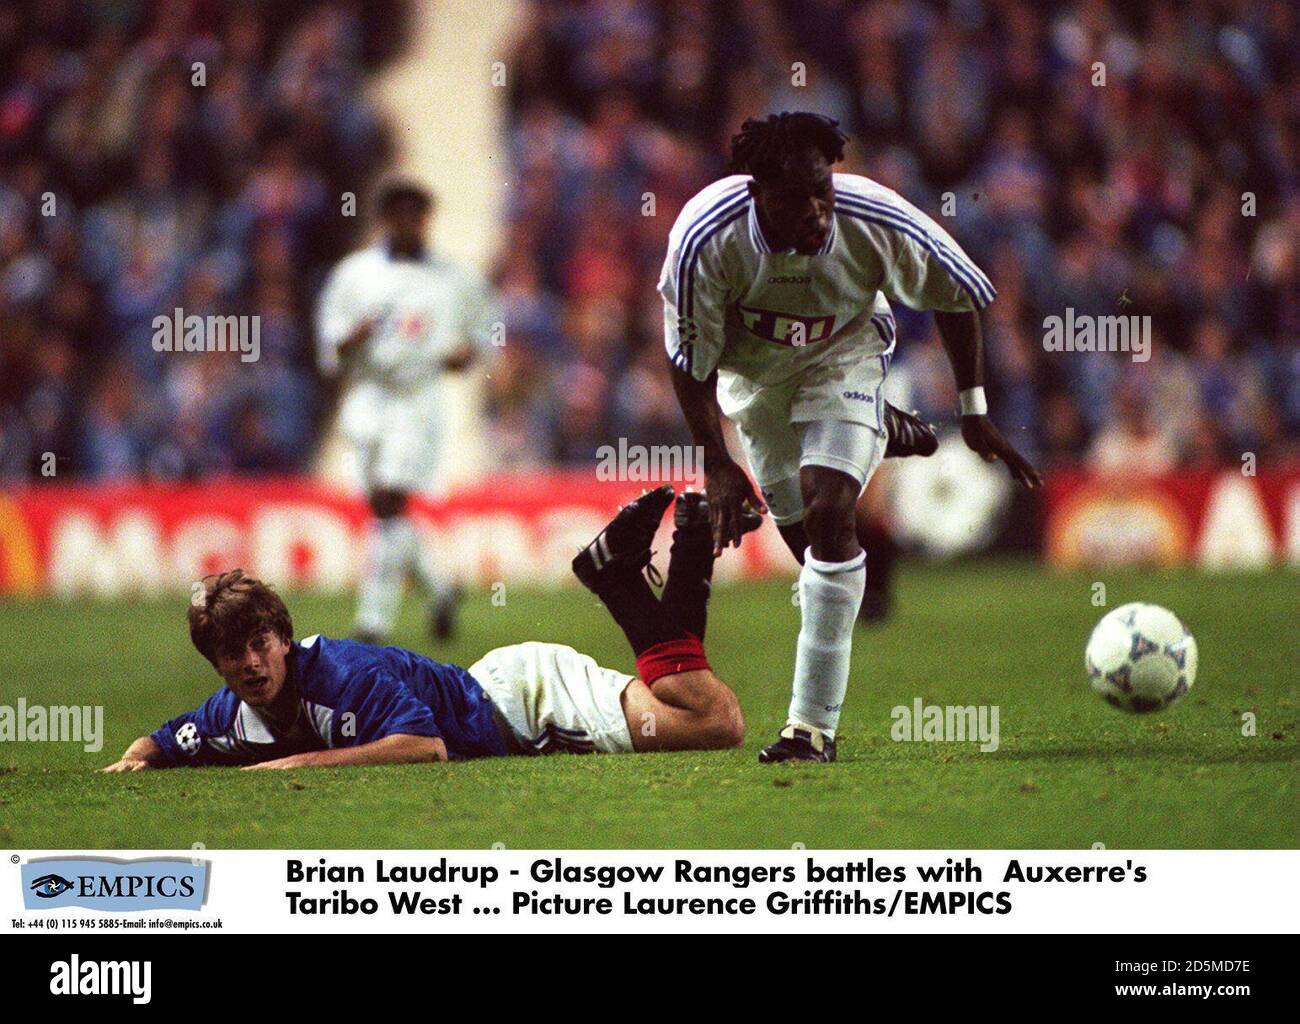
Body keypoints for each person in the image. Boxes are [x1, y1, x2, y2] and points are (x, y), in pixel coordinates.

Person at [660, 112, 1041, 763]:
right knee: (808, 544)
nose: (815, 211)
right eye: (794, 198)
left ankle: (809, 731)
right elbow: (687, 362)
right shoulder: (704, 240)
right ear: (755, 193)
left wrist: (973, 411)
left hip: (845, 356)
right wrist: (718, 465)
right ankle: (875, 429)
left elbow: (957, 294)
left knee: (831, 508)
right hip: (755, 387)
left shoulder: (876, 218)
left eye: (823, 190)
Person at [101, 487, 743, 771]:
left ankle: (618, 580)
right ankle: (686, 544)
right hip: (507, 693)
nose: (249, 663)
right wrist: (136, 757)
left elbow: (425, 746)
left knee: (715, 724)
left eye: (258, 644)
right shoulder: (229, 711)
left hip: (524, 702)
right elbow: (163, 741)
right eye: (229, 654)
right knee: (692, 708)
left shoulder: (344, 673)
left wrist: (299, 762)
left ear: (282, 638)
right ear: (215, 664)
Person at [315, 178, 492, 646]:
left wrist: (467, 355)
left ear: (425, 219)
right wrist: (350, 338)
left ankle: (372, 620)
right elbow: (330, 337)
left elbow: (486, 332)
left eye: (416, 213)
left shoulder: (455, 278)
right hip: (369, 394)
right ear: (384, 219)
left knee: (392, 498)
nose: (407, 222)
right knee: (381, 506)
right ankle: (439, 589)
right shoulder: (354, 274)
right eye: (398, 213)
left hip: (418, 397)